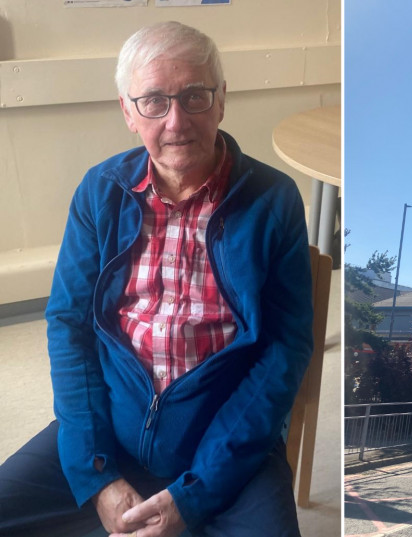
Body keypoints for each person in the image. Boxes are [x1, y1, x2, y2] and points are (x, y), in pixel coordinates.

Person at [0, 21, 312, 537]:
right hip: (110, 434)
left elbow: (285, 351)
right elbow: (67, 327)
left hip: (225, 446)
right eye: (153, 102)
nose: (176, 122)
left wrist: (197, 494)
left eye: (194, 96)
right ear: (127, 110)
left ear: (221, 101)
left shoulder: (273, 200)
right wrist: (98, 476)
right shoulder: (100, 192)